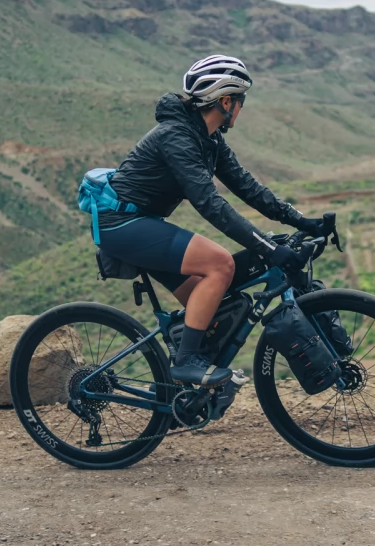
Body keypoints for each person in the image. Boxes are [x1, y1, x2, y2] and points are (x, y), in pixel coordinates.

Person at [91, 55, 327, 387]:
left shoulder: (209, 139)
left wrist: (303, 222)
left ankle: (185, 392)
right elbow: (210, 204)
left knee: (217, 307)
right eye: (241, 102)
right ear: (226, 101)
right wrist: (269, 248)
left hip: (142, 223)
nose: (241, 110)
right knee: (220, 265)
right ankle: (187, 363)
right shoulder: (177, 137)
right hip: (121, 224)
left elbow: (248, 187)